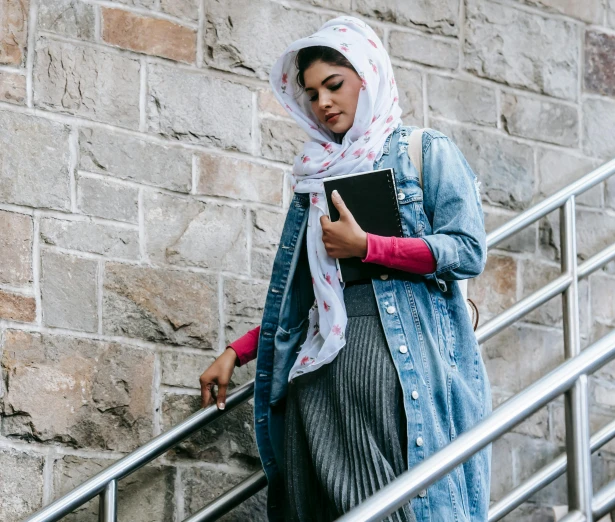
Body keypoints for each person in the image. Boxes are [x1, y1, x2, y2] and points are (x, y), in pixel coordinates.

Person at [198, 15, 491, 522]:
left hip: (402, 370)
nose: (323, 103)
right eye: (311, 94)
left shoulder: (425, 152)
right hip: (324, 380)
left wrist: (368, 245)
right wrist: (238, 351)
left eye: (334, 85)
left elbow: (467, 249)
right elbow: (307, 295)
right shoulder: (316, 177)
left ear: (368, 76)